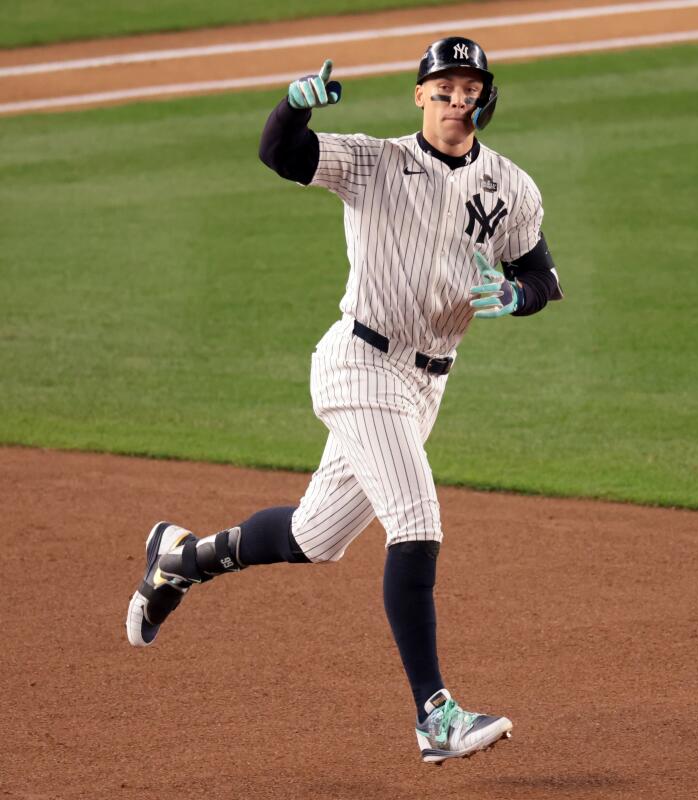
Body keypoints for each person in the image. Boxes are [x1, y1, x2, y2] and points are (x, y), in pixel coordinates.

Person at [126, 36, 563, 764]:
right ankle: (435, 717)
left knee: (314, 537)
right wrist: (291, 108)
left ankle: (181, 558)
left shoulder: (511, 187)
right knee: (416, 519)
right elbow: (282, 154)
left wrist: (519, 295)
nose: (457, 97)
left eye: (469, 86)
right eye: (443, 85)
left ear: (485, 97)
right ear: (420, 94)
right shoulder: (373, 161)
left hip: (426, 386)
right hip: (359, 364)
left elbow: (544, 278)